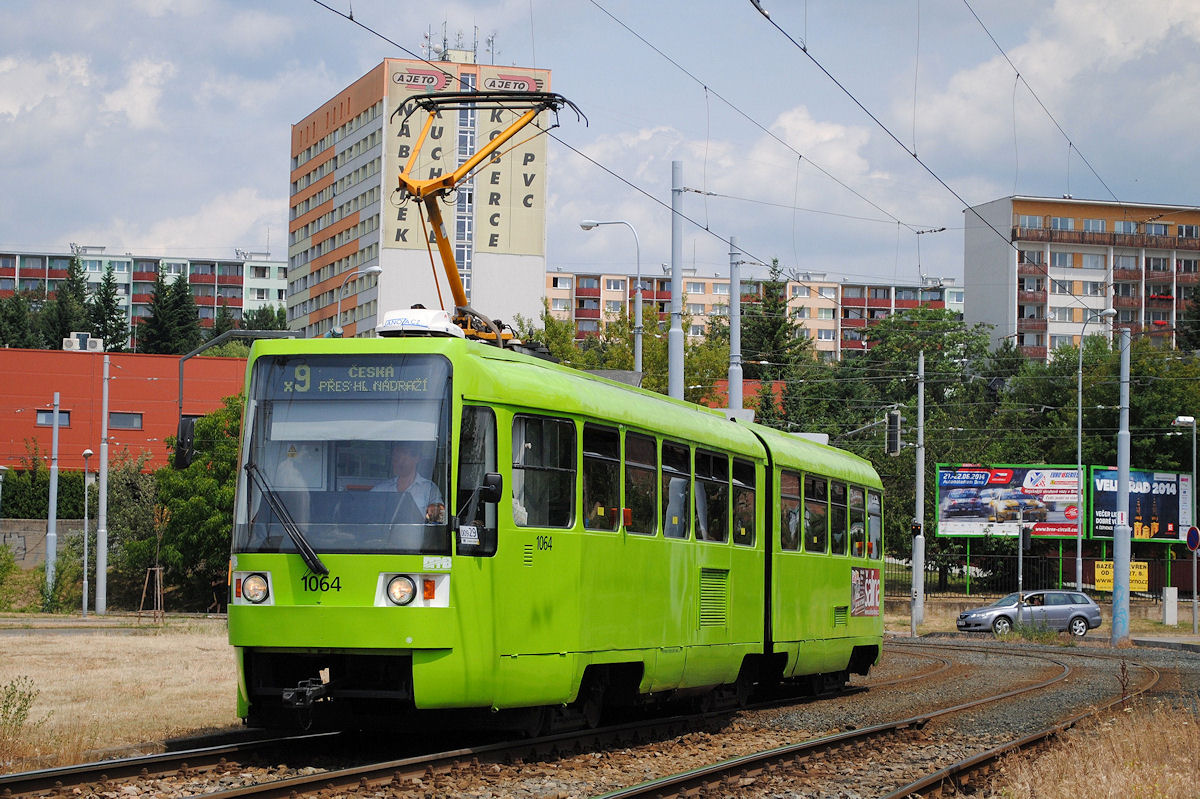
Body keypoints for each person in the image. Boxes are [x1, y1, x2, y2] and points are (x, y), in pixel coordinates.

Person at [372, 441, 445, 524]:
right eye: (395, 457)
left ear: (416, 458)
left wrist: (432, 515)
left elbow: (440, 520)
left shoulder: (429, 489)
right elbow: (367, 516)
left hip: (415, 536)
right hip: (383, 536)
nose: (397, 461)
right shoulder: (380, 489)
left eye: (401, 456)